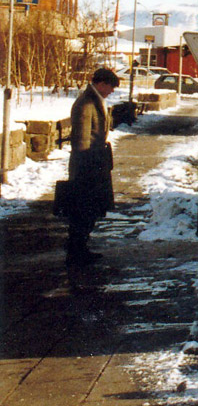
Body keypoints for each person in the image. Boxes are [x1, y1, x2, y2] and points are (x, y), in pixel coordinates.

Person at [65, 67, 119, 266]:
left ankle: (81, 248)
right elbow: (81, 139)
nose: (111, 91)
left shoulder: (95, 100)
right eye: (110, 87)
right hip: (86, 167)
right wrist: (85, 169)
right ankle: (76, 251)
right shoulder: (87, 103)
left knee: (90, 209)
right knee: (82, 209)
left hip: (95, 164)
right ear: (101, 83)